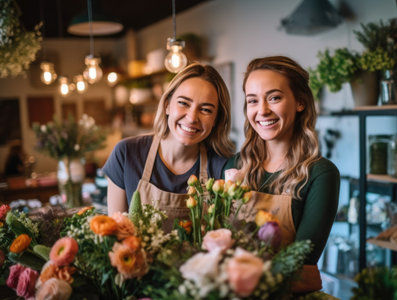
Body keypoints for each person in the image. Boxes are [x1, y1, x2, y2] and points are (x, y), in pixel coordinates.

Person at [224, 56, 340, 294]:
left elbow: (302, 263)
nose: (262, 110)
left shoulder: (320, 174)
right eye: (252, 101)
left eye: (274, 98)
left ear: (300, 102)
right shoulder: (235, 165)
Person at [103, 63, 235, 231]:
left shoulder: (223, 166)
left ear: (216, 119)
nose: (192, 117)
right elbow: (114, 235)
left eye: (206, 110)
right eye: (183, 103)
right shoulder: (126, 153)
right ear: (167, 105)